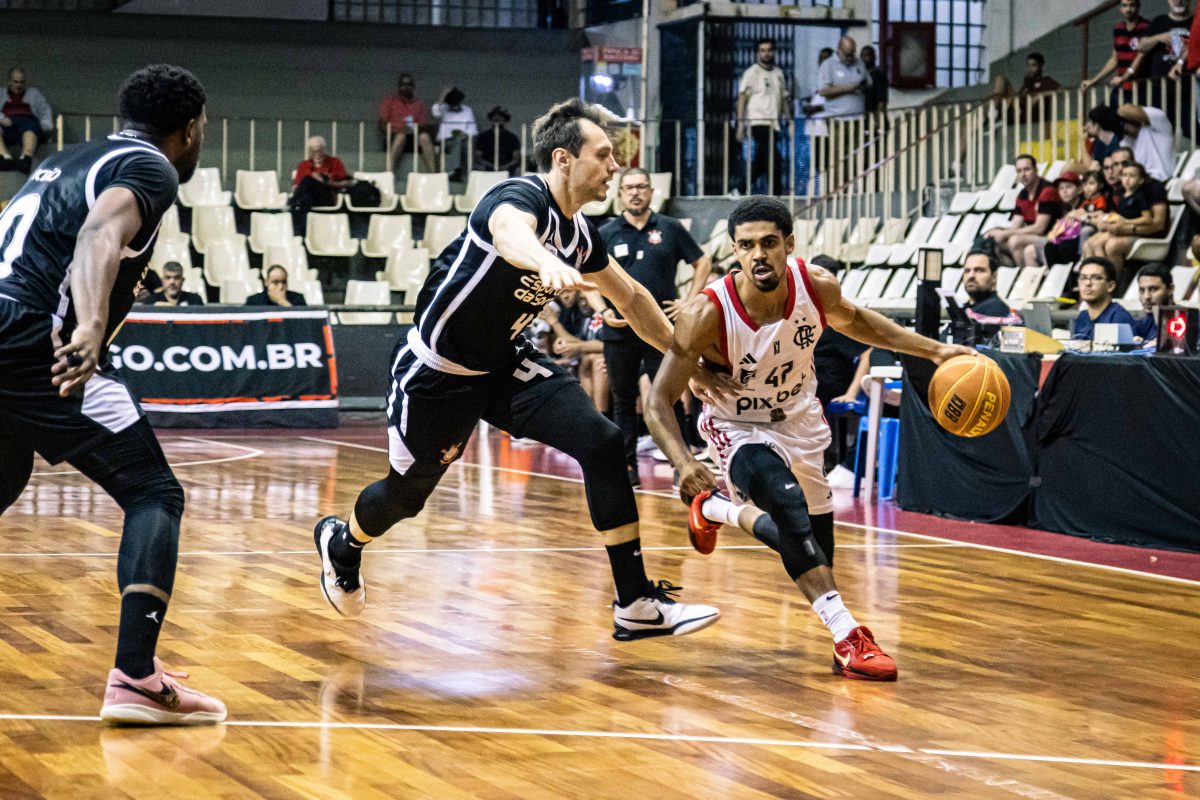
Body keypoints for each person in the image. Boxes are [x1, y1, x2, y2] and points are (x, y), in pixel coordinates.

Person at [312, 98, 722, 641]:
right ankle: (343, 544)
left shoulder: (581, 235)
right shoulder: (517, 198)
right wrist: (545, 260)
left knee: (603, 442)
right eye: (603, 155)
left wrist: (686, 363)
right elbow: (510, 234)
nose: (615, 165)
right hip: (439, 375)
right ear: (563, 159)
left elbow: (633, 298)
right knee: (404, 499)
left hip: (506, 364)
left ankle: (635, 603)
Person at [643, 196, 973, 681]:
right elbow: (658, 401)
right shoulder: (707, 312)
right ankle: (848, 636)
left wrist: (935, 351)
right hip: (736, 425)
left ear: (789, 244)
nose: (758, 255)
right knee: (786, 505)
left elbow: (859, 321)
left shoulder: (815, 287)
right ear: (734, 250)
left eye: (769, 243)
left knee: (814, 547)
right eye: (746, 246)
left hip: (800, 423)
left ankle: (716, 510)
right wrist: (684, 463)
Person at [0, 64, 225, 725]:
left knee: (5, 474)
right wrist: (91, 325)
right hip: (29, 339)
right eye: (202, 129)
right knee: (154, 493)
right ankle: (136, 676)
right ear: (188, 130)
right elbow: (99, 235)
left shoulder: (64, 160)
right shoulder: (151, 167)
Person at [598, 167, 711, 486]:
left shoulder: (670, 227)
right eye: (629, 188)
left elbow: (702, 262)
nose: (635, 193)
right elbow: (588, 276)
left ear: (650, 192)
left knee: (668, 396)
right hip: (619, 330)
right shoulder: (606, 232)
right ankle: (626, 466)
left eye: (641, 187)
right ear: (620, 194)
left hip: (661, 329)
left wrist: (690, 300)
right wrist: (600, 310)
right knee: (623, 399)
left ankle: (682, 465)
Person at [1083, 161, 1167, 281]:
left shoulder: (1144, 194)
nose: (1127, 179)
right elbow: (1117, 215)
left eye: (1131, 176)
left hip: (1138, 233)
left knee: (1110, 245)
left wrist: (1126, 224)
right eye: (1124, 175)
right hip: (1121, 229)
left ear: (1140, 179)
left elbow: (1152, 221)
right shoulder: (1122, 194)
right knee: (1089, 244)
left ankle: (1107, 280)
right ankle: (1092, 278)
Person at [983, 154, 1062, 265]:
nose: (1023, 174)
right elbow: (1015, 226)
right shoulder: (1022, 195)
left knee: (1015, 241)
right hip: (1035, 236)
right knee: (995, 242)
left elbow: (1039, 229)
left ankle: (1025, 273)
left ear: (1036, 170)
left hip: (1052, 237)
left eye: (1027, 169)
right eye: (1019, 171)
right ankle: (1013, 272)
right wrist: (998, 233)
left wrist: (1005, 233)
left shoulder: (1047, 191)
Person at [737, 37, 791, 195]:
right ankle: (776, 193)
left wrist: (789, 121)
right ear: (758, 53)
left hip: (774, 123)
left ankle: (739, 189)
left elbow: (784, 98)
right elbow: (742, 98)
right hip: (758, 121)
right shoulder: (752, 72)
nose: (766, 54)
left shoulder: (778, 73)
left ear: (774, 52)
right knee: (774, 157)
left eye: (769, 50)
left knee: (762, 160)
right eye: (762, 51)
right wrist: (741, 124)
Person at [1081, 0, 1151, 105]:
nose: (1128, 9)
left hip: (1140, 87)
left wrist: (1124, 77)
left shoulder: (1146, 27)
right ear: (1120, 8)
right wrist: (1093, 80)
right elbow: (1114, 59)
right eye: (1125, 5)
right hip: (1121, 86)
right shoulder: (1118, 29)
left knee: (1128, 113)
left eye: (1132, 5)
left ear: (1138, 6)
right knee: (1097, 113)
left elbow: (1141, 57)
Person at [0, 68, 54, 175]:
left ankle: (25, 158)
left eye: (22, 82)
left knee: (30, 129)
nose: (19, 85)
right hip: (7, 124)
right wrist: (2, 118)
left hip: (27, 121)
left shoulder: (34, 93)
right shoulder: (1, 93)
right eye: (16, 82)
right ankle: (4, 157)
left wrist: (46, 125)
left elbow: (45, 110)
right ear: (10, 81)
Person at [1025, 171, 1084, 266]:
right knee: (1038, 249)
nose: (1064, 191)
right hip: (1060, 241)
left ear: (1080, 189)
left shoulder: (1084, 205)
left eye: (1069, 187)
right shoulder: (1063, 208)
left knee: (1056, 246)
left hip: (1073, 245)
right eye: (1061, 188)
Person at [378, 73, 435, 172]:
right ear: (399, 86)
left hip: (412, 138)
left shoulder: (419, 104)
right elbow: (381, 124)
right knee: (400, 136)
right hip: (394, 138)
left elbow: (422, 125)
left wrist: (414, 128)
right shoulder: (389, 101)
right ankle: (388, 173)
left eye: (409, 84)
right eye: (403, 84)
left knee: (424, 136)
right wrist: (397, 130)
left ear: (413, 87)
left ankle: (434, 174)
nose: (406, 87)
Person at [290, 135, 352, 227]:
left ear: (324, 149)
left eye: (320, 150)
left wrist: (325, 181)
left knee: (308, 179)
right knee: (306, 198)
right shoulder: (303, 165)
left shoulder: (335, 162)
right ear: (309, 151)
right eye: (314, 150)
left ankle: (292, 202)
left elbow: (347, 183)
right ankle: (303, 231)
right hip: (310, 198)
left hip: (327, 197)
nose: (317, 153)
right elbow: (296, 187)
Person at [1072, 256, 1136, 339]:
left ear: (1110, 286)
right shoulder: (1083, 316)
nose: (1088, 283)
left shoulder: (1119, 318)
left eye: (1096, 278)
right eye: (1083, 278)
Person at [817, 36, 869, 123]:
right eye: (847, 54)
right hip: (836, 120)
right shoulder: (828, 65)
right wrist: (849, 88)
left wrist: (864, 86)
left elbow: (869, 83)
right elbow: (823, 91)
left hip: (858, 118)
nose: (851, 57)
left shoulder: (859, 62)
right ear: (839, 50)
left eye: (853, 53)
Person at [1118, 103, 1174, 182]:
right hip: (1140, 182)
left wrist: (1117, 113)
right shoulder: (1128, 139)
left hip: (1162, 180)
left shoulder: (1161, 127)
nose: (1124, 127)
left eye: (1125, 122)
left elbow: (1125, 110)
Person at [431, 87, 478, 182]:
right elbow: (435, 112)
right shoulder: (443, 108)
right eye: (452, 103)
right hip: (446, 141)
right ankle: (454, 171)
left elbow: (473, 130)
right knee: (458, 143)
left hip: (463, 140)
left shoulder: (467, 110)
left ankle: (467, 174)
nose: (454, 106)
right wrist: (443, 95)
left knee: (465, 143)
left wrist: (465, 134)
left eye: (456, 103)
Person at [1133, 261, 1174, 341]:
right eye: (1142, 290)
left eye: (1153, 289)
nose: (1146, 296)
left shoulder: (1188, 322)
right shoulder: (1142, 324)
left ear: (1170, 289)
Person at [475, 105, 521, 175]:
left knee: (518, 171)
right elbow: (478, 157)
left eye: (500, 116)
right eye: (494, 116)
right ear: (491, 119)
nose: (497, 118)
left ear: (505, 119)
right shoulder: (482, 136)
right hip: (487, 167)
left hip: (507, 169)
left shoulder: (512, 137)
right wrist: (491, 166)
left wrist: (505, 167)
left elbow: (516, 158)